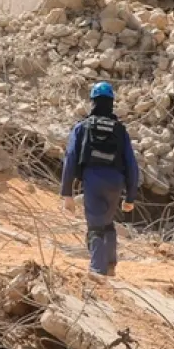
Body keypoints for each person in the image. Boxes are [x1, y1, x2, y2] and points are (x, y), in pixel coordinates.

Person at [61, 81, 140, 276]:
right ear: (111, 102)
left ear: (93, 102)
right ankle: (111, 265)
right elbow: (131, 164)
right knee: (107, 222)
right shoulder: (120, 130)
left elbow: (70, 158)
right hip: (116, 182)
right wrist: (130, 196)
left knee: (95, 225)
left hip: (93, 179)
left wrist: (67, 193)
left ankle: (97, 270)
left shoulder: (82, 127)